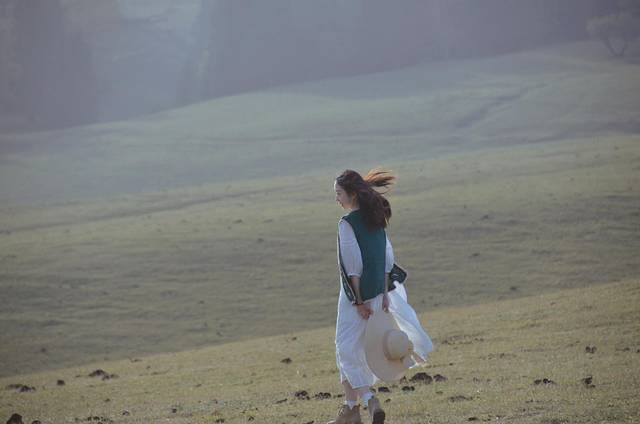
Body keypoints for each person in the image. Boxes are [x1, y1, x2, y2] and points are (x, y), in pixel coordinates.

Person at [328, 168, 434, 424]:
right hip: (378, 294)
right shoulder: (376, 219)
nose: (337, 199)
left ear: (352, 194)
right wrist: (384, 294)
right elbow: (387, 259)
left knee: (345, 349)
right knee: (353, 349)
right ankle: (350, 410)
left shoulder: (347, 224)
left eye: (339, 193)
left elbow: (352, 266)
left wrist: (358, 301)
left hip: (357, 298)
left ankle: (368, 401)